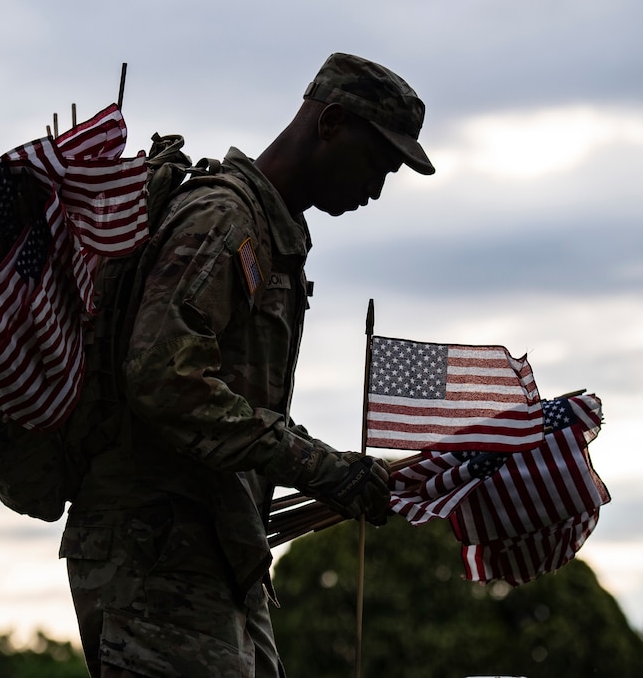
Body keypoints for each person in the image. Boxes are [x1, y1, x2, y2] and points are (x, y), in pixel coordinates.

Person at [59, 52, 436, 678]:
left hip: (215, 547)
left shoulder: (269, 235)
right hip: (156, 551)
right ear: (331, 122)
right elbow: (163, 379)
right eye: (377, 161)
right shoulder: (224, 220)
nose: (378, 186)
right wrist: (322, 467)